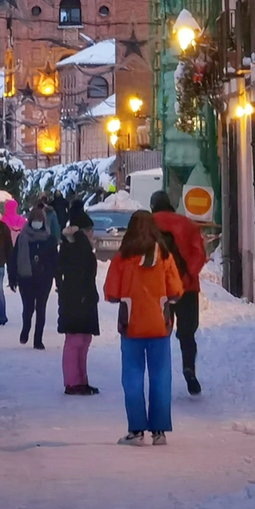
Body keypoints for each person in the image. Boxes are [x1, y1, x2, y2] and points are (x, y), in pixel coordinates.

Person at [103, 210, 183, 446]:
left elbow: (111, 292)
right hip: (161, 325)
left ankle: (136, 431)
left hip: (131, 326)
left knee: (132, 378)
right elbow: (176, 290)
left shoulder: (123, 257)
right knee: (160, 377)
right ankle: (159, 431)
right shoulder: (165, 256)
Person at [150, 190, 207, 395]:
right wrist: (187, 276)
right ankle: (189, 368)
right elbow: (199, 254)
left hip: (157, 290)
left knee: (158, 333)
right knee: (187, 332)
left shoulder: (146, 226)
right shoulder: (187, 225)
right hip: (186, 288)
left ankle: (159, 377)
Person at [57, 208, 99, 394]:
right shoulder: (79, 248)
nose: (92, 233)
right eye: (89, 229)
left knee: (82, 339)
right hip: (78, 299)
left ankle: (80, 379)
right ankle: (73, 381)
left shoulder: (74, 246)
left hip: (79, 298)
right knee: (76, 340)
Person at [9, 201, 58, 349]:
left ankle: (38, 339)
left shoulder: (49, 239)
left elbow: (55, 261)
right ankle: (26, 329)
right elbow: (14, 258)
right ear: (30, 221)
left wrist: (58, 280)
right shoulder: (22, 238)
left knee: (41, 308)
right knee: (28, 308)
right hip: (26, 278)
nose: (37, 223)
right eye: (35, 221)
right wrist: (12, 277)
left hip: (44, 278)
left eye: (40, 221)